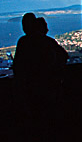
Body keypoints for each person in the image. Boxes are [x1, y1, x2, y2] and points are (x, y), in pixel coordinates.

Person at [12, 13, 69, 141]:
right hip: (50, 88)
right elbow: (64, 57)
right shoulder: (48, 42)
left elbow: (17, 67)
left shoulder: (23, 42)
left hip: (30, 91)